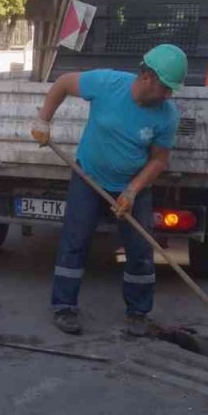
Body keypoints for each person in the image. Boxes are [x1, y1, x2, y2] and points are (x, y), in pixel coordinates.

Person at [30, 44, 188, 336]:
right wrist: (43, 120)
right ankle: (64, 307)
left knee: (139, 250)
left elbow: (159, 160)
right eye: (166, 88)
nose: (169, 95)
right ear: (147, 77)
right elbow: (64, 83)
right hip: (88, 177)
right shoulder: (107, 84)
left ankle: (138, 313)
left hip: (132, 186)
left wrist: (131, 191)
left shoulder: (166, 115)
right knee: (75, 242)